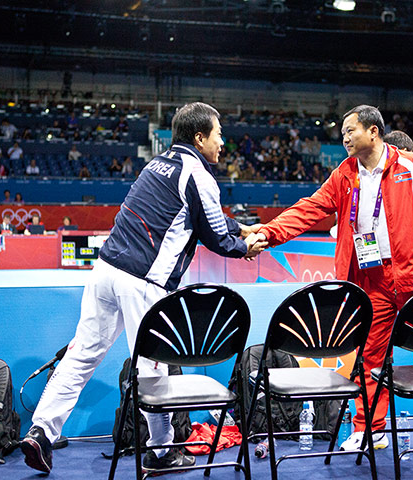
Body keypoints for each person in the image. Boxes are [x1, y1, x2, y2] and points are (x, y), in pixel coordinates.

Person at [20, 102, 267, 474]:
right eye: (218, 134)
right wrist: (242, 245)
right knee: (154, 368)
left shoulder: (157, 164)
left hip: (104, 270)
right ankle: (162, 450)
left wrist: (237, 227)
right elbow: (213, 234)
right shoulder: (198, 175)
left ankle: (41, 431)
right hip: (143, 283)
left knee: (82, 354)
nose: (223, 141)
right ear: (200, 138)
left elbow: (196, 214)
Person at [252, 105, 413, 456]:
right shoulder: (344, 173)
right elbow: (309, 209)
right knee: (369, 357)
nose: (345, 138)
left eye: (351, 131)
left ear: (374, 132)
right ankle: (370, 429)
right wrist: (269, 233)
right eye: (343, 133)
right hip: (371, 280)